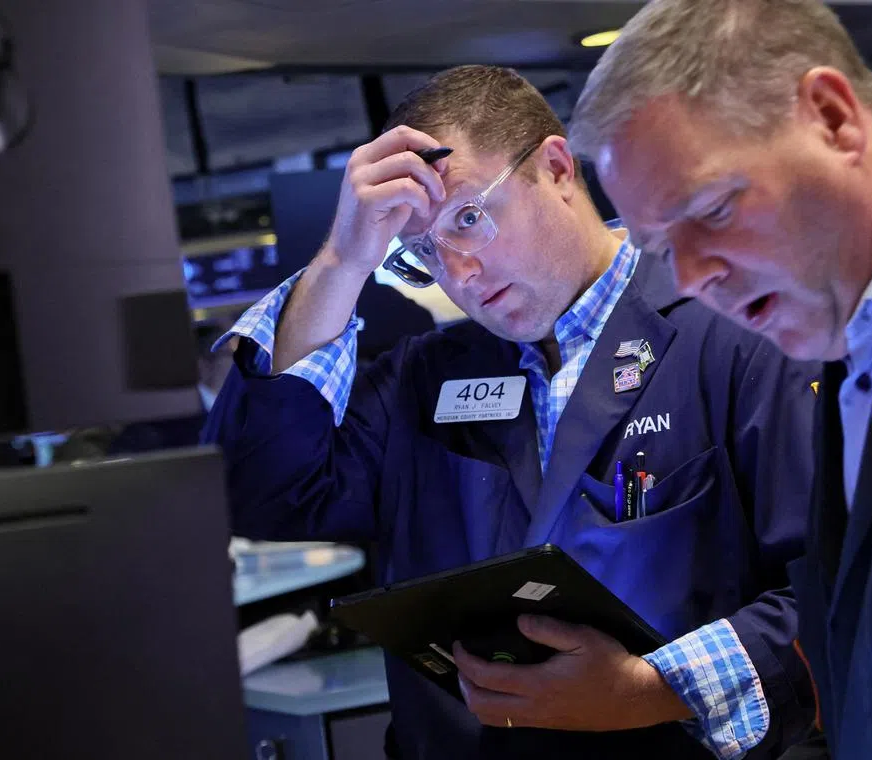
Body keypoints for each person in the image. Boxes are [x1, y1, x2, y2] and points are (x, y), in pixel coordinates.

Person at [204, 65, 819, 760]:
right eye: (424, 251)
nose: (459, 272)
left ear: (556, 169)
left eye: (469, 217)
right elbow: (262, 493)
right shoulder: (423, 376)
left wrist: (649, 690)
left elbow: (826, 596)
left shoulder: (732, 334)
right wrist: (342, 263)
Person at [569, 1, 872, 757]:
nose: (694, 277)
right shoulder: (852, 348)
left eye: (712, 209)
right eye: (663, 248)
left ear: (832, 117)